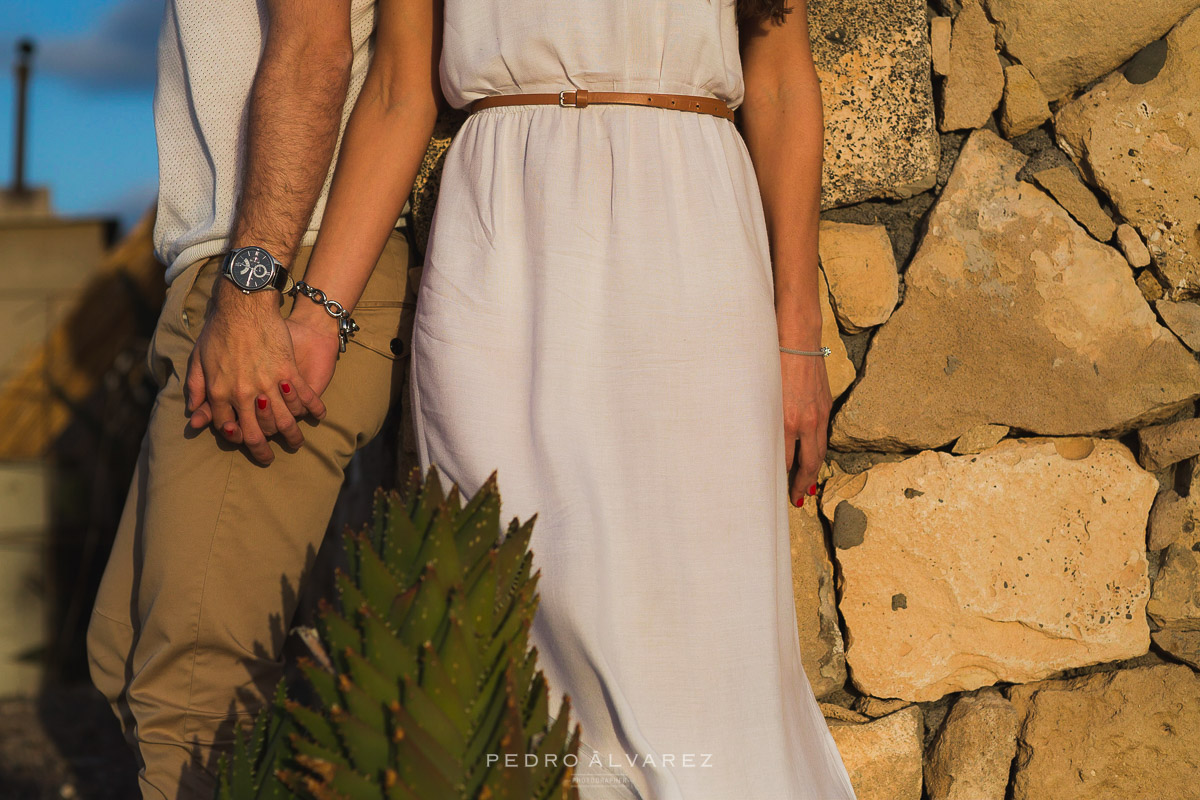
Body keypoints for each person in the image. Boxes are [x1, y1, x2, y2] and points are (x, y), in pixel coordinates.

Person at [302, 0, 858, 797]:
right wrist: (317, 316)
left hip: (691, 230)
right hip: (499, 243)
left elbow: (777, 84)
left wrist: (799, 330)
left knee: (697, 638)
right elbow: (397, 87)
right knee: (509, 600)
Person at [85, 1, 419, 797]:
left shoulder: (262, 290)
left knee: (194, 694)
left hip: (281, 278)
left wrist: (255, 293)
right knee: (123, 651)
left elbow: (315, 52)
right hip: (228, 275)